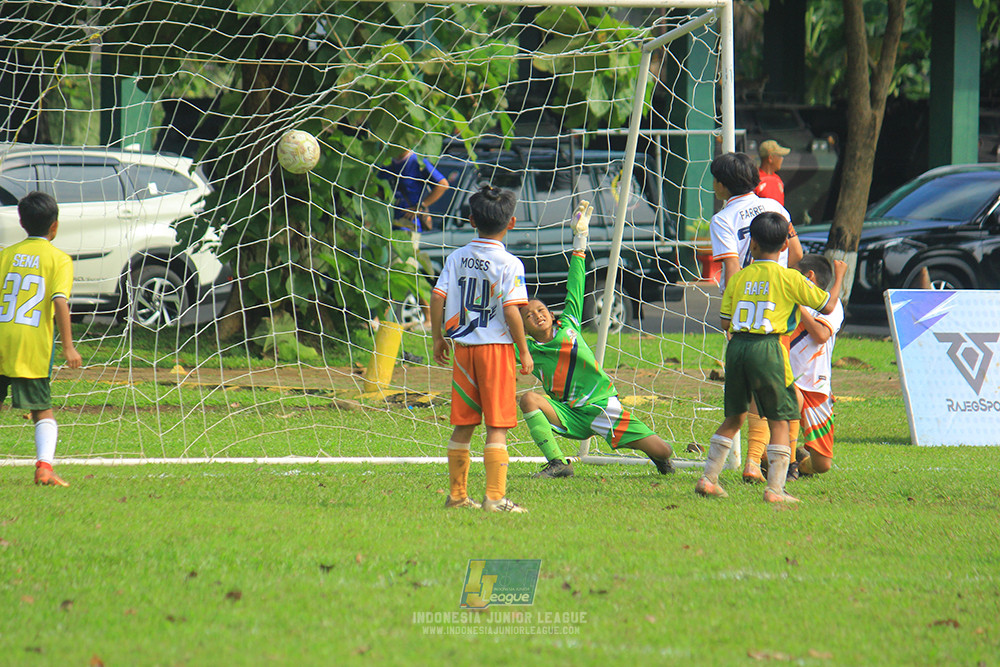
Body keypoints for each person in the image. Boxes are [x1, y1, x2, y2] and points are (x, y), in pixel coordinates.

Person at [695, 212, 846, 503]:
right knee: (781, 420)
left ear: (752, 243)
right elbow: (827, 307)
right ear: (784, 246)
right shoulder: (789, 278)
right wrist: (839, 277)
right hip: (768, 348)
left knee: (734, 417)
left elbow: (725, 322)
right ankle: (775, 490)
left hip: (736, 347)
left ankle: (708, 479)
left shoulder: (738, 278)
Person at [518, 201, 675, 479]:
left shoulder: (569, 324)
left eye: (540, 310)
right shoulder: (526, 350)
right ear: (524, 328)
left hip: (602, 407)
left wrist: (580, 239)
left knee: (664, 451)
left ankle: (653, 454)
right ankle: (558, 463)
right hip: (569, 413)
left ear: (552, 315)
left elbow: (575, 284)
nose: (537, 315)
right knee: (529, 399)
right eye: (529, 316)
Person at [431, 185, 533, 513]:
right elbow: (511, 310)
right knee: (497, 425)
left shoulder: (456, 257)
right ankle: (495, 498)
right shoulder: (510, 263)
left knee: (464, 424)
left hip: (463, 350)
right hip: (496, 351)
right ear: (511, 223)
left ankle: (457, 496)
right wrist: (524, 349)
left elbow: (437, 296)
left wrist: (437, 337)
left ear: (472, 220)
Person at [0, 192, 82, 486]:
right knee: (41, 409)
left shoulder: (6, 254)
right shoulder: (59, 259)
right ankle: (44, 468)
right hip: (31, 345)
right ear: (54, 226)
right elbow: (60, 301)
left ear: (22, 223)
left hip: (2, 339)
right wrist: (68, 347)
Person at [742, 254, 845, 483]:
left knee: (823, 464)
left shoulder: (831, 304)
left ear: (809, 277)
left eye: (794, 274)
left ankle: (799, 464)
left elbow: (821, 335)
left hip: (817, 387)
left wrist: (799, 305)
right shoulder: (783, 300)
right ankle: (775, 464)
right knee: (788, 397)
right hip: (785, 376)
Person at [377, 149, 450, 329]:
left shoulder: (417, 161)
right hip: (389, 225)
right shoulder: (387, 161)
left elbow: (443, 184)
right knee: (395, 269)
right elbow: (379, 189)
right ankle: (383, 316)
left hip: (409, 228)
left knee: (404, 270)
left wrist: (421, 206)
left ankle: (427, 317)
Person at [709, 152, 803, 291]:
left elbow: (732, 266)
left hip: (746, 295)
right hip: (778, 290)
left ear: (721, 185)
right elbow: (797, 253)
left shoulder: (722, 219)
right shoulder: (775, 206)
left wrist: (735, 299)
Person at [755, 139, 791, 205]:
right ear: (770, 158)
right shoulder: (755, 180)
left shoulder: (777, 179)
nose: (782, 159)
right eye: (779, 156)